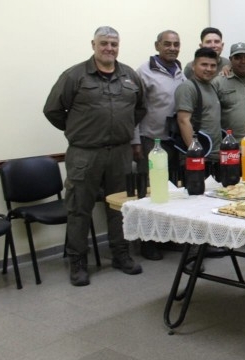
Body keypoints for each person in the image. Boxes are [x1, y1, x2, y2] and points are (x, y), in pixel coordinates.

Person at [43, 26, 146, 286]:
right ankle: (78, 262)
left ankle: (121, 255)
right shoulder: (74, 76)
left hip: (121, 153)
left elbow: (140, 109)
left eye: (113, 44)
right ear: (93, 45)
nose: (109, 48)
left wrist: (119, 131)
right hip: (84, 154)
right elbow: (53, 110)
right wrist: (79, 129)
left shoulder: (130, 76)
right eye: (104, 43)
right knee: (79, 209)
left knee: (120, 207)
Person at [134, 29, 187, 261]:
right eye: (167, 44)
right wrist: (135, 141)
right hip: (151, 141)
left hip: (174, 142)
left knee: (172, 192)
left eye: (176, 44)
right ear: (157, 46)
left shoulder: (180, 72)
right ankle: (148, 242)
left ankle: (167, 237)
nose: (172, 48)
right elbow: (134, 110)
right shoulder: (143, 72)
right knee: (151, 192)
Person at [174, 48, 222, 166]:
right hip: (198, 157)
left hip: (213, 156)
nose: (209, 69)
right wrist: (196, 154)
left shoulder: (211, 87)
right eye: (204, 65)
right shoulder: (188, 87)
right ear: (193, 66)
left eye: (213, 65)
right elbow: (183, 120)